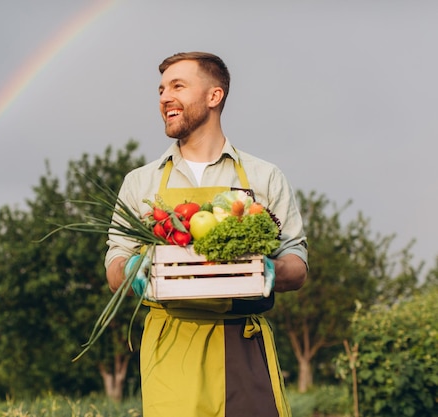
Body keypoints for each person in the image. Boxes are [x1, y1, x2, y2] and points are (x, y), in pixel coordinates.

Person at [104, 52, 308, 417]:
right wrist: (132, 270)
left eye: (178, 86)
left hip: (242, 342)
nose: (165, 97)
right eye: (161, 89)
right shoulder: (141, 182)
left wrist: (272, 270)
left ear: (214, 97)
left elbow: (298, 263)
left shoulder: (265, 176)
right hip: (170, 346)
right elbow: (114, 265)